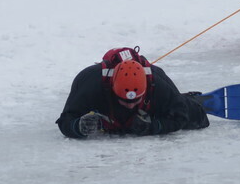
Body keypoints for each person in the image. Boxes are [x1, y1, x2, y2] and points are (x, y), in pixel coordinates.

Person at [56, 47, 210, 139]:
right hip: (106, 102)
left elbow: (180, 117)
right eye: (124, 101)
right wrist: (78, 126)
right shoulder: (90, 84)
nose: (130, 106)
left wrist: (153, 127)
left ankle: (191, 99)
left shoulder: (157, 82)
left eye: (134, 101)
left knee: (198, 117)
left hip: (154, 106)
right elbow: (65, 120)